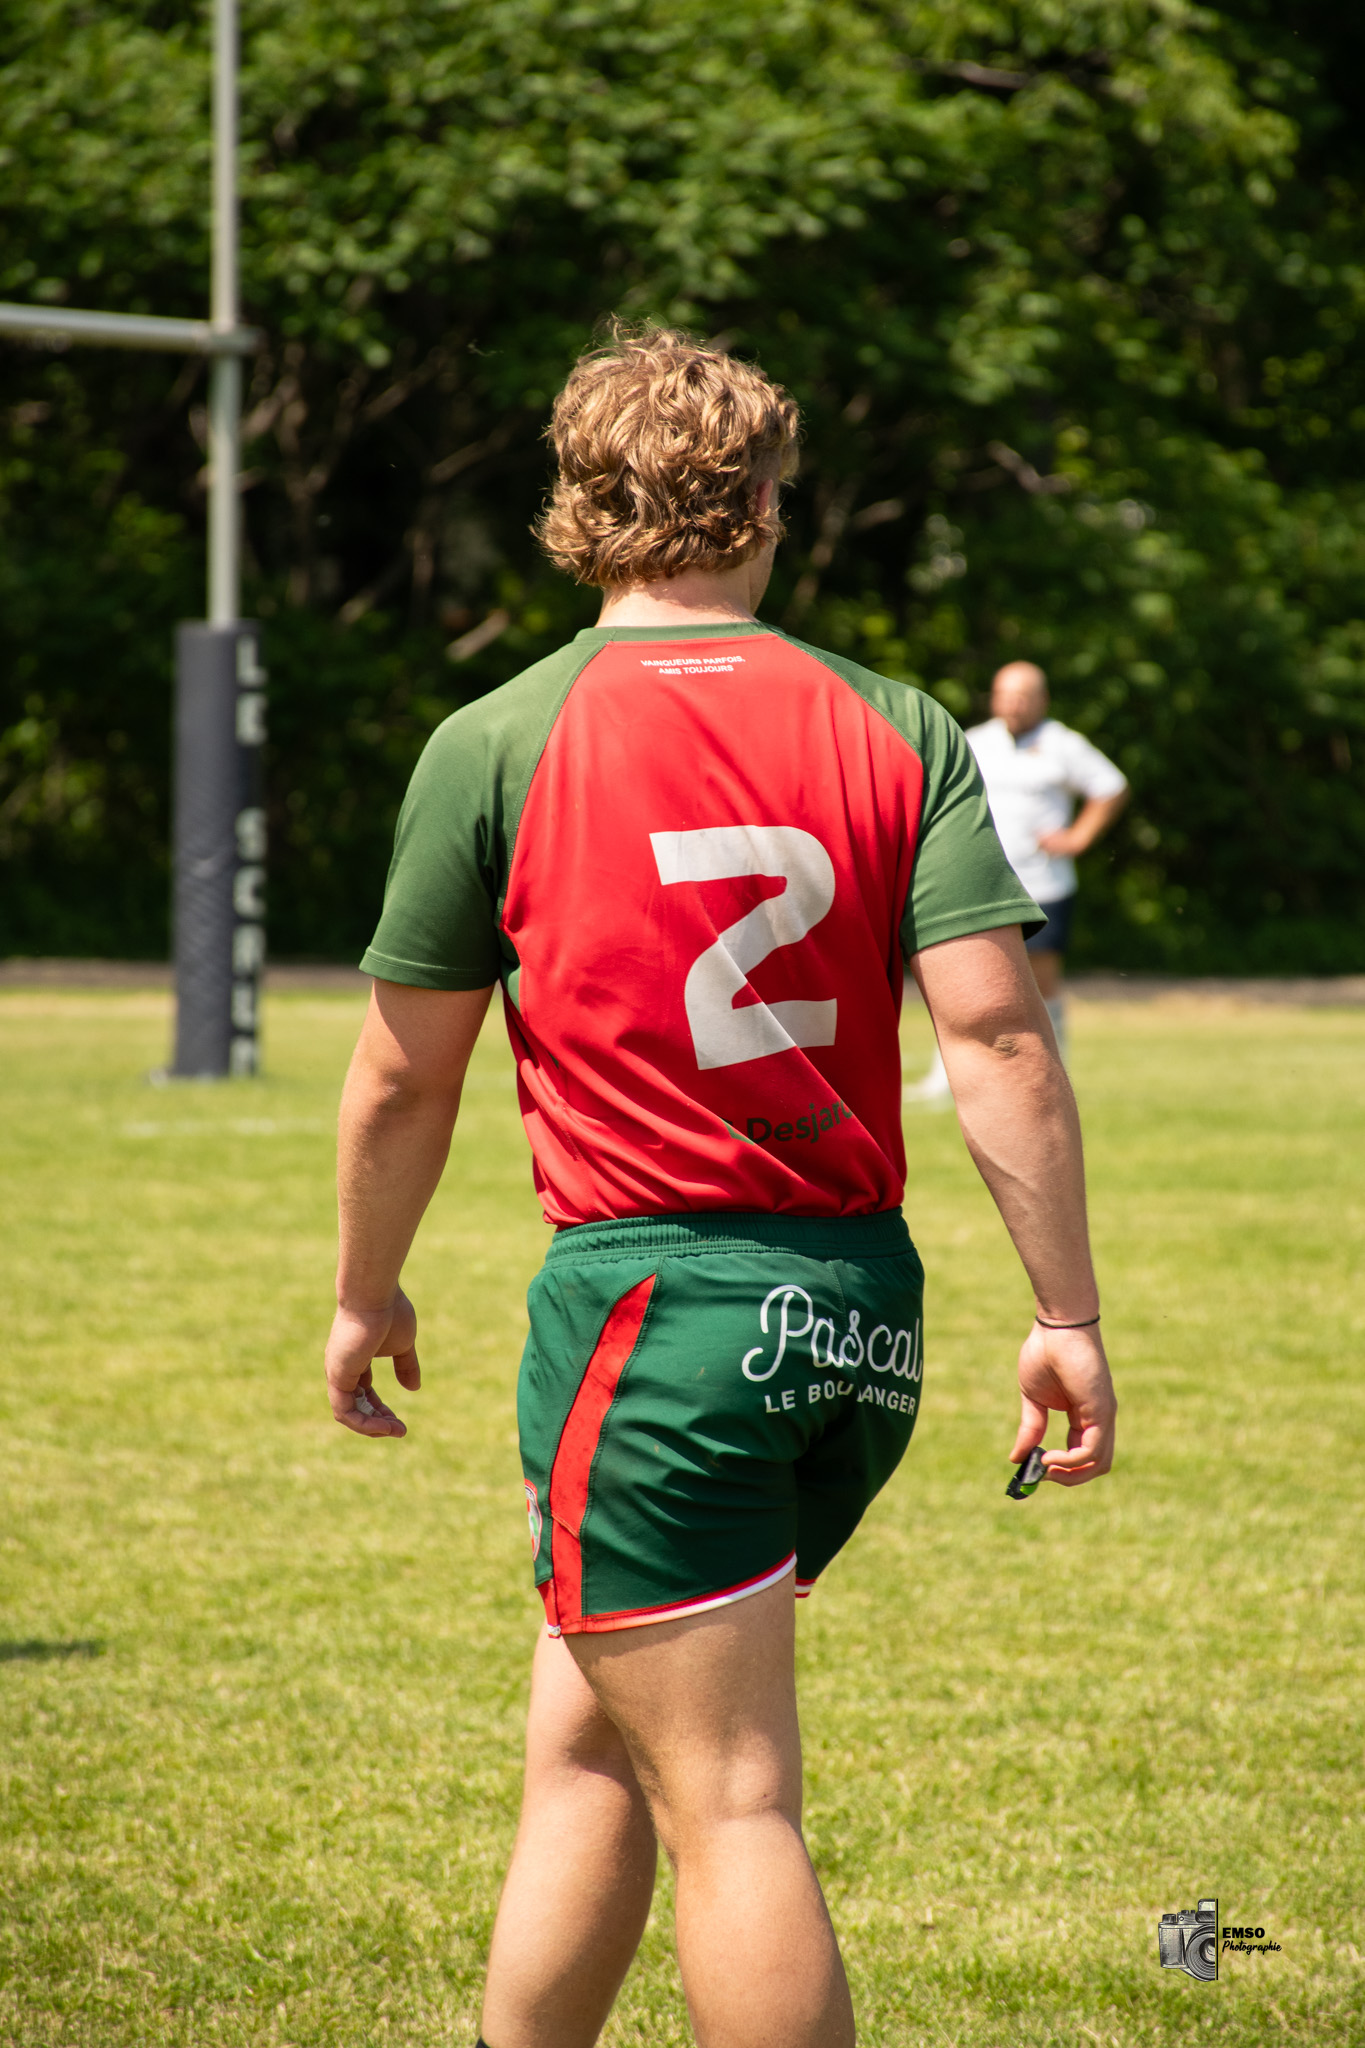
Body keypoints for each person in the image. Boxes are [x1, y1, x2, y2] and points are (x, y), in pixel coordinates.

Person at [323, 329, 1117, 2048]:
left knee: (732, 1795)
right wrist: (1066, 1315)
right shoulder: (896, 721)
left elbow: (404, 1071)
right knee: (591, 1739)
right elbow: (1001, 1040)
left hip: (658, 1320)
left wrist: (364, 1288)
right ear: (763, 500)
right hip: (855, 1317)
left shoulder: (498, 737)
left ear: (574, 504)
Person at [906, 660, 1127, 1102]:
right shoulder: (976, 741)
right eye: (1005, 694)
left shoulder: (1062, 744)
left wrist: (1078, 836)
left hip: (1044, 882)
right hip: (981, 885)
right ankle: (942, 1080)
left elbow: (1110, 785)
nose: (1013, 703)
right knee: (962, 980)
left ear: (1042, 699)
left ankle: (1053, 1073)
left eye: (1023, 695)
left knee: (1042, 982)